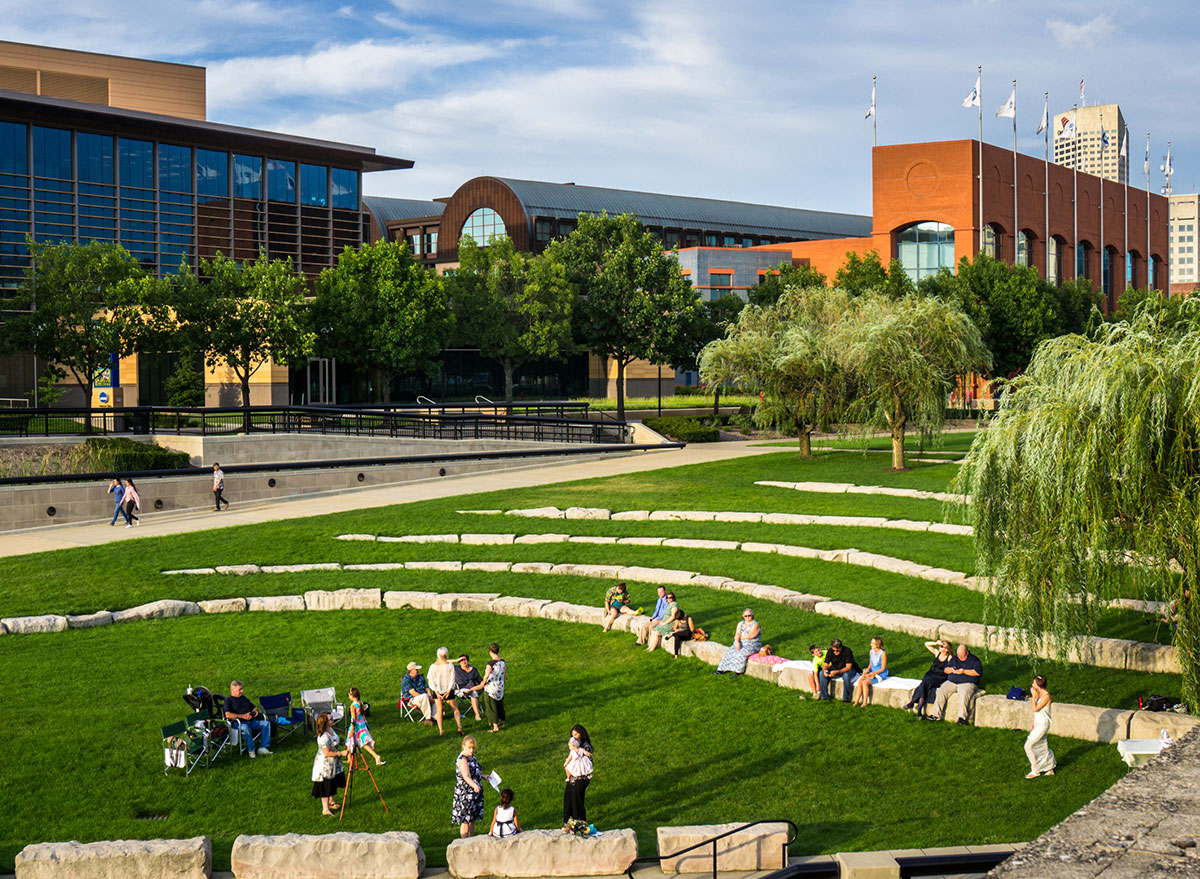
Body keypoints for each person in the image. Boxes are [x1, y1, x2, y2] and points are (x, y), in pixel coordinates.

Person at [933, 644, 984, 724]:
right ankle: (936, 714)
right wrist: (951, 670)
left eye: (962, 656)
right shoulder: (955, 659)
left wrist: (963, 671)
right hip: (952, 682)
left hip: (967, 683)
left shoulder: (974, 660)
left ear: (967, 652)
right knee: (942, 690)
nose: (960, 657)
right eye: (959, 655)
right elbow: (945, 669)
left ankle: (962, 718)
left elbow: (978, 672)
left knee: (963, 693)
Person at [311, 710, 348, 816]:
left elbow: (334, 741)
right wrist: (341, 753)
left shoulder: (331, 730)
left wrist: (342, 742)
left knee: (334, 782)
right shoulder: (323, 737)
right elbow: (326, 753)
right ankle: (325, 809)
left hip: (334, 764)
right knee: (326, 786)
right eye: (331, 719)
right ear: (325, 722)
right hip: (325, 765)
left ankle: (332, 802)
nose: (333, 720)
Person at [904, 640, 952, 719]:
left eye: (942, 646)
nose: (940, 647)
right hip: (930, 674)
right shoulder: (937, 653)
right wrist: (936, 643)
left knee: (924, 684)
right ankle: (918, 711)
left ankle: (913, 704)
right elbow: (926, 644)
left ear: (947, 649)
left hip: (939, 678)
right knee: (924, 684)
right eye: (940, 646)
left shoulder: (949, 657)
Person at [224, 680, 271, 757]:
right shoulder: (228, 700)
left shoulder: (243, 698)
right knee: (245, 728)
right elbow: (227, 714)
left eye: (242, 689)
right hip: (238, 723)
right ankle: (251, 750)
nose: (242, 691)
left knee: (266, 724)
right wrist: (243, 716)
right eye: (240, 689)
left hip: (251, 721)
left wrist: (254, 712)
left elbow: (254, 707)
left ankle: (263, 748)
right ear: (233, 689)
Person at [451, 735, 484, 838]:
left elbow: (473, 772)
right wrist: (475, 786)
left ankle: (471, 840)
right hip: (466, 794)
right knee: (466, 820)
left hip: (474, 793)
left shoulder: (472, 757)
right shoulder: (462, 759)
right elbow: (466, 776)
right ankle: (464, 842)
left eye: (473, 748)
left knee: (473, 818)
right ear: (463, 746)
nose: (471, 750)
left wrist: (483, 777)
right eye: (469, 747)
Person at [1024, 675, 1056, 778]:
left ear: (1038, 685)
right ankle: (1050, 768)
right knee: (1042, 745)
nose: (1032, 685)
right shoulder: (1039, 693)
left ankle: (1035, 770)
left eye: (1034, 684)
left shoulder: (1046, 696)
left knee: (1028, 746)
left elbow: (1035, 708)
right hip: (1038, 723)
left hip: (1043, 724)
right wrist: (1034, 721)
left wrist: (1033, 696)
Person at [562, 724, 593, 830]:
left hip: (581, 778)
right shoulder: (574, 746)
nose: (574, 737)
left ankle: (579, 824)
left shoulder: (585, 747)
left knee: (577, 801)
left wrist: (577, 750)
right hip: (572, 778)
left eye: (576, 734)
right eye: (572, 735)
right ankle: (567, 823)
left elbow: (586, 759)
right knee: (568, 800)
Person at [714, 608, 761, 676]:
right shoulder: (741, 623)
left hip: (752, 644)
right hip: (741, 642)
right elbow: (737, 633)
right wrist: (737, 642)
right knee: (730, 652)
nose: (747, 617)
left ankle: (738, 671)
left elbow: (750, 636)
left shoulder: (755, 624)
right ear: (743, 616)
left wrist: (740, 637)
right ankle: (721, 670)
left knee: (741, 653)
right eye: (746, 616)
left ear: (752, 615)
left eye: (749, 615)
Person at [428, 647, 463, 736]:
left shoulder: (433, 667)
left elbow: (431, 681)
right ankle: (459, 727)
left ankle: (441, 730)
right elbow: (452, 679)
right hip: (448, 690)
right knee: (455, 709)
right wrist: (448, 691)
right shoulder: (450, 665)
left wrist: (436, 693)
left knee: (439, 711)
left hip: (438, 691)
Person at [348, 687, 385, 765]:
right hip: (362, 724)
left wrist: (352, 729)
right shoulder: (360, 703)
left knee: (360, 742)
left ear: (352, 696)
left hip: (356, 727)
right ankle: (349, 759)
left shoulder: (353, 706)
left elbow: (354, 718)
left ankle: (376, 756)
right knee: (350, 741)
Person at [852, 636, 889, 707]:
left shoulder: (883, 654)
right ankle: (856, 701)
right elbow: (870, 664)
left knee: (865, 682)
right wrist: (867, 670)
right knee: (860, 681)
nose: (870, 644)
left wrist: (872, 674)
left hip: (880, 673)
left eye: (872, 643)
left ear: (877, 644)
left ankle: (864, 702)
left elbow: (883, 668)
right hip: (871, 672)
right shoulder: (871, 651)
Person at [479, 643, 507, 733]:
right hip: (500, 685)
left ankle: (495, 726)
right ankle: (502, 720)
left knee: (491, 706)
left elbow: (487, 675)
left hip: (492, 687)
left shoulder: (490, 664)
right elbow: (504, 675)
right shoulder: (503, 662)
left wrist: (483, 682)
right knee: (500, 704)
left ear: (490, 652)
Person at [454, 654, 484, 723]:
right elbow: (444, 662)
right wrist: (456, 660)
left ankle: (477, 715)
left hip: (473, 688)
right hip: (460, 689)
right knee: (473, 693)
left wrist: (482, 682)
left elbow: (479, 679)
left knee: (474, 692)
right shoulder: (456, 669)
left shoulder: (473, 669)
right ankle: (477, 714)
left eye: (465, 660)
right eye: (461, 660)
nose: (464, 662)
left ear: (468, 660)